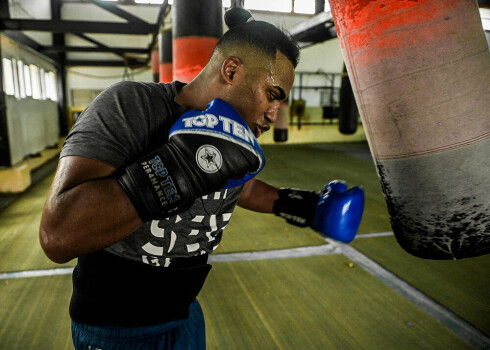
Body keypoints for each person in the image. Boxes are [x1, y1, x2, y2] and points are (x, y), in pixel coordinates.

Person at [39, 7, 364, 350]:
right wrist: (181, 167)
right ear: (232, 69)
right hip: (117, 330)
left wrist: (304, 206)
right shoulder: (132, 106)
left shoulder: (235, 137)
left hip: (185, 314)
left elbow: (241, 188)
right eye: (272, 95)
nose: (272, 115)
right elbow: (57, 235)